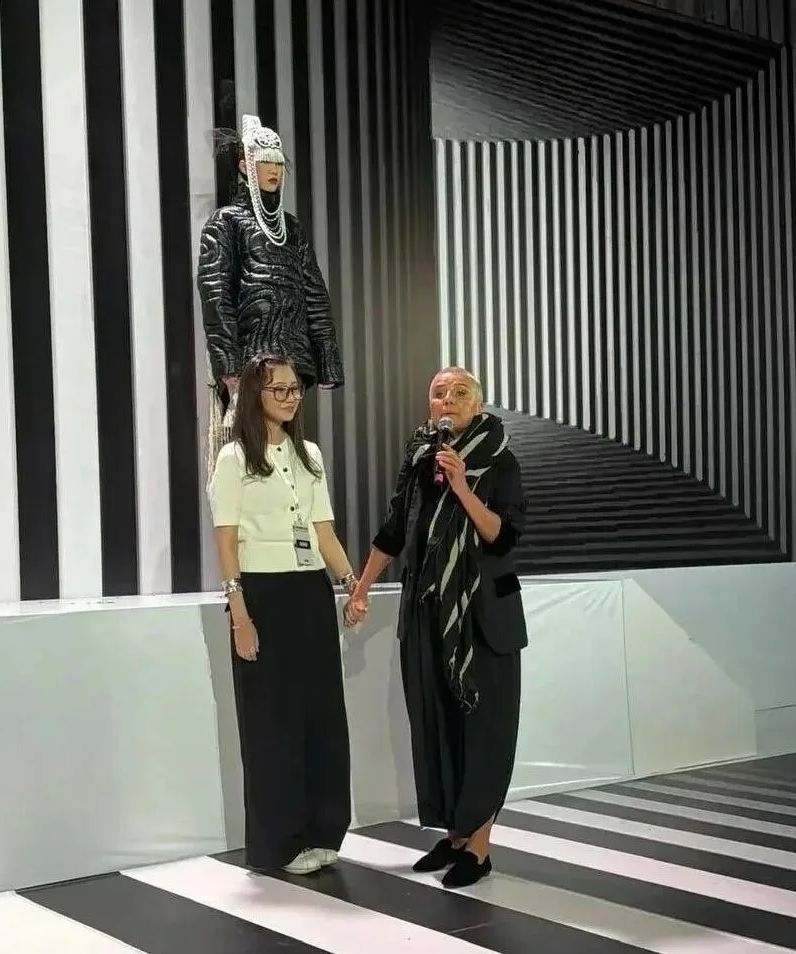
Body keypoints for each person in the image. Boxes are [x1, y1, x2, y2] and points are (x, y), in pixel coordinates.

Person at [345, 367, 527, 889]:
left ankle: (480, 848)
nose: (448, 400)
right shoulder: (421, 459)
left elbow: (502, 536)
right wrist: (361, 588)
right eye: (439, 393)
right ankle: (454, 836)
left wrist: (463, 486)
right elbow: (394, 530)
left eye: (459, 392)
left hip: (483, 618)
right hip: (427, 613)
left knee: (484, 730)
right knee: (437, 725)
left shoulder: (500, 458)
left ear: (478, 404)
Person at [209, 353, 357, 875]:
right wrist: (240, 614)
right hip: (263, 595)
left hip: (309, 592)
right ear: (256, 395)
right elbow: (226, 542)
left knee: (321, 715)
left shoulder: (309, 454)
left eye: (296, 389)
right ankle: (280, 842)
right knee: (272, 723)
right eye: (281, 390)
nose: (292, 397)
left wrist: (350, 583)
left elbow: (323, 530)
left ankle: (324, 829)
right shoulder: (234, 459)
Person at [198, 115, 344, 484]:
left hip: (291, 361)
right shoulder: (226, 222)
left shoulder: (292, 229)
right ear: (245, 167)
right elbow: (216, 295)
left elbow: (314, 294)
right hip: (250, 364)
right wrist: (229, 367)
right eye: (265, 162)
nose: (274, 170)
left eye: (278, 163)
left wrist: (326, 362)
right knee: (243, 456)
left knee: (287, 454)